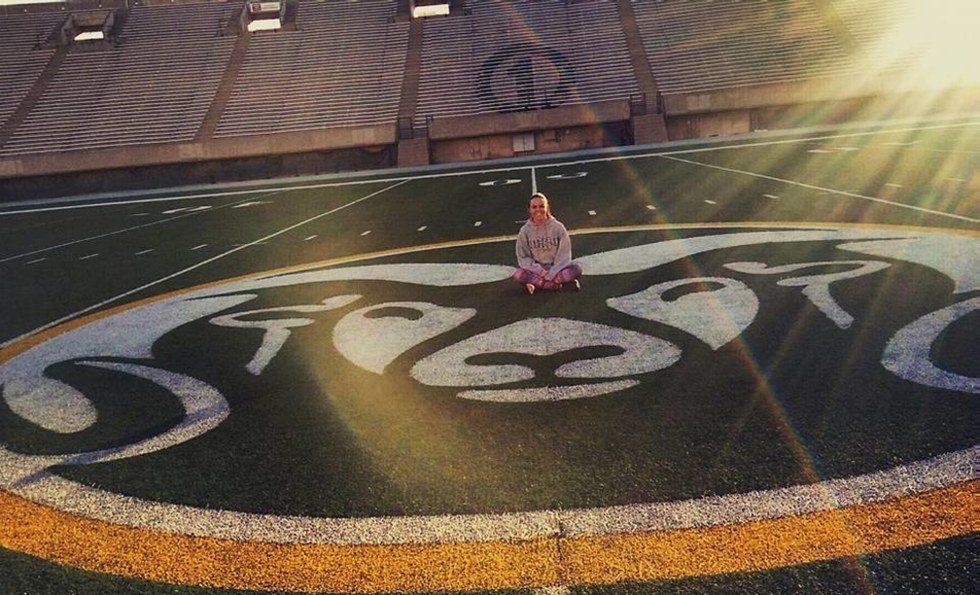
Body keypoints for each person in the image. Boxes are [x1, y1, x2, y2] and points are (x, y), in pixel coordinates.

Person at [513, 192, 583, 294]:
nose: (538, 210)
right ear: (529, 210)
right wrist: (540, 270)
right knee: (518, 274)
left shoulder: (558, 227)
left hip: (557, 268)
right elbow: (523, 257)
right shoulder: (524, 231)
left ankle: (540, 284)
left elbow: (564, 254)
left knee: (577, 268)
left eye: (541, 206)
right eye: (534, 207)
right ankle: (557, 284)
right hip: (537, 271)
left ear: (547, 207)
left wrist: (552, 272)